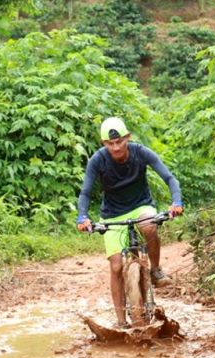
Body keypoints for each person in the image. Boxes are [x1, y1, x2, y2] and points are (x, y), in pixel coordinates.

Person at [76, 117, 184, 328]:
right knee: (116, 266)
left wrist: (176, 202)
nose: (115, 147)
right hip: (111, 215)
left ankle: (155, 270)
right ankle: (120, 321)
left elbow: (169, 178)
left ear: (127, 137)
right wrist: (83, 216)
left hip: (140, 206)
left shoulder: (140, 152)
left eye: (119, 142)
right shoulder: (97, 160)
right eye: (110, 144)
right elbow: (86, 191)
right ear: (103, 143)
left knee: (148, 225)